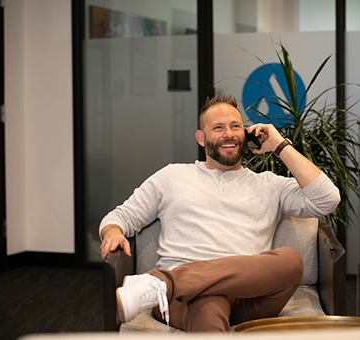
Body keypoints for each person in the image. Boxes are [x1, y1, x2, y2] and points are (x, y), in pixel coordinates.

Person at [99, 95, 340, 332]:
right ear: (201, 139)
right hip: (182, 301)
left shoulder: (270, 185)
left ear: (246, 134)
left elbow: (327, 199)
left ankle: (163, 284)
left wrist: (280, 145)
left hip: (247, 297)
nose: (229, 134)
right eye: (218, 127)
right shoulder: (171, 177)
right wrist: (112, 231)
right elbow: (121, 217)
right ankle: (171, 287)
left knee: (291, 261)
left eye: (236, 126)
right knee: (209, 301)